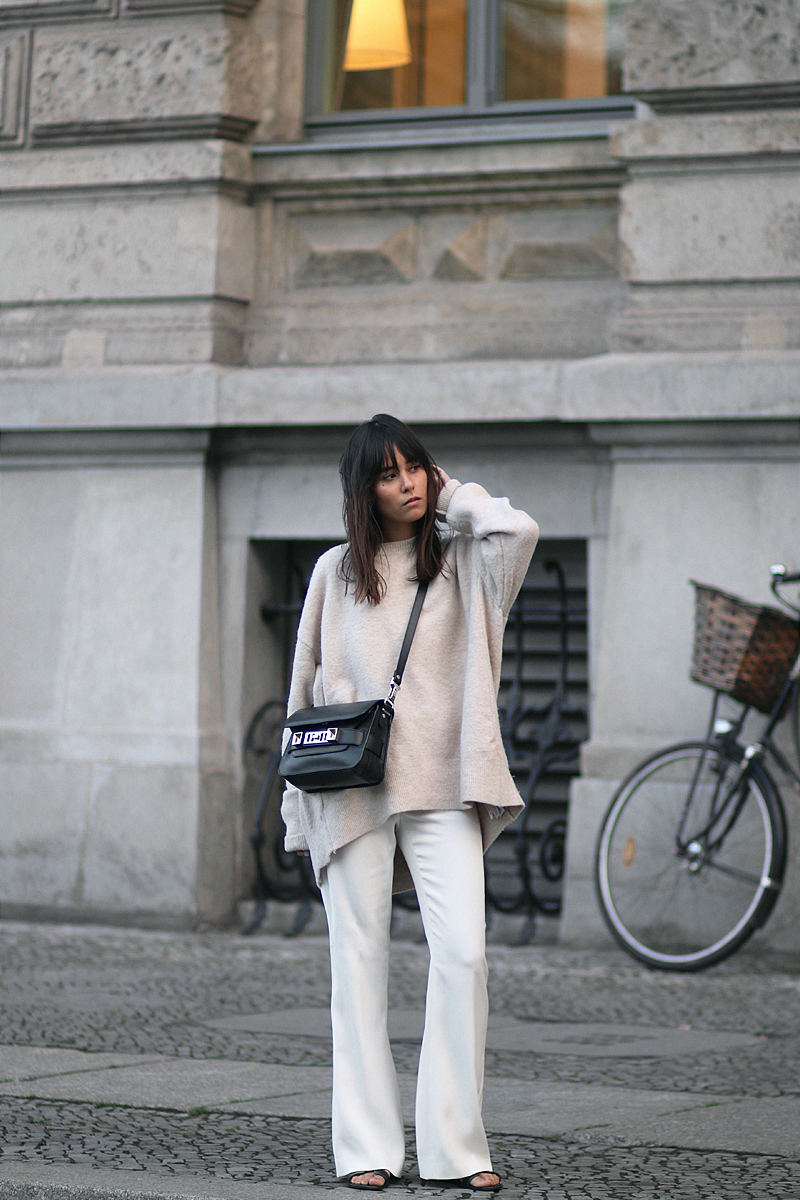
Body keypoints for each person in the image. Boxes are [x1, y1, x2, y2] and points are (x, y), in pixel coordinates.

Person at [281, 414, 539, 1192]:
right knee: (357, 965)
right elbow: (301, 689)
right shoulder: (335, 572)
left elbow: (519, 529)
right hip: (353, 791)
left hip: (441, 782)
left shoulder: (464, 562)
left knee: (462, 952)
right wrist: (301, 813)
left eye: (417, 467)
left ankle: (458, 1150)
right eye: (391, 474)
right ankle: (366, 1148)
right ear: (364, 490)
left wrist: (456, 496)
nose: (410, 483)